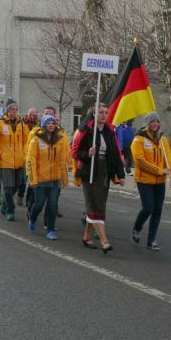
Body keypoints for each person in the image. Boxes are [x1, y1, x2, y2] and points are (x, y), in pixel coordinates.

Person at [72, 103, 126, 253]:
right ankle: (104, 241)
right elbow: (75, 152)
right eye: (100, 112)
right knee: (95, 205)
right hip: (89, 171)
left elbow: (116, 154)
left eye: (105, 112)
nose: (103, 115)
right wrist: (87, 154)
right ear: (94, 114)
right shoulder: (85, 130)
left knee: (99, 203)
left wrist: (120, 175)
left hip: (104, 172)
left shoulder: (110, 131)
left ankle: (87, 237)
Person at [131, 112, 171, 251]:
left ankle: (151, 240)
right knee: (148, 207)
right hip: (144, 180)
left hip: (160, 181)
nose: (155, 124)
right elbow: (140, 161)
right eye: (152, 122)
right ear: (147, 124)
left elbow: (169, 160)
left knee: (157, 210)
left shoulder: (163, 140)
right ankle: (137, 227)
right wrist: (159, 170)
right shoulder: (138, 140)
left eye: (157, 122)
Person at [25, 115, 69, 239]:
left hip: (55, 179)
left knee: (52, 205)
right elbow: (31, 160)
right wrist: (33, 178)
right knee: (39, 204)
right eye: (48, 123)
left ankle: (50, 230)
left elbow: (61, 160)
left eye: (53, 123)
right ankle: (32, 219)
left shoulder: (59, 140)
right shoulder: (36, 140)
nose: (51, 125)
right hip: (40, 178)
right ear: (44, 125)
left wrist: (64, 178)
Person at [0, 99, 29, 221]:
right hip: (5, 162)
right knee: (7, 188)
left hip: (19, 162)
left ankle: (5, 202)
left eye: (16, 110)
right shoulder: (0, 124)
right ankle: (10, 210)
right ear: (7, 111)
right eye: (12, 109)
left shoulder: (22, 125)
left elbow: (27, 143)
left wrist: (25, 158)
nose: (14, 112)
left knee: (15, 187)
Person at [18, 108, 39, 205]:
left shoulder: (38, 126)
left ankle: (29, 201)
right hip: (23, 155)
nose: (33, 116)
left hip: (33, 156)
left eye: (35, 115)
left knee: (31, 179)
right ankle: (20, 195)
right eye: (31, 114)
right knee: (22, 180)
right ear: (27, 114)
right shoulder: (22, 124)